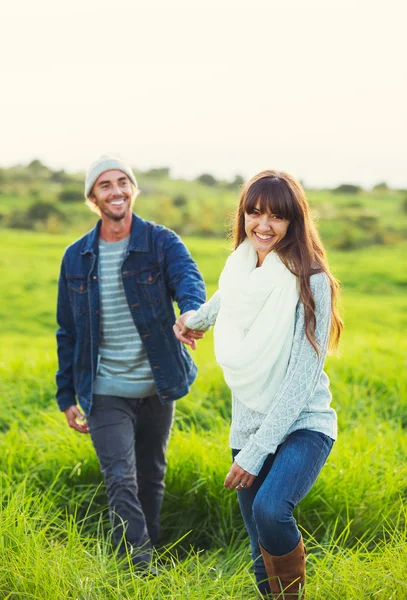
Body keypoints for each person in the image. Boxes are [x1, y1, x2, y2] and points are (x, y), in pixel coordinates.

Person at [173, 170, 342, 598]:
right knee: (257, 545)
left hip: (303, 422)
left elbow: (303, 379)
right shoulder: (241, 268)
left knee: (271, 509)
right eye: (254, 213)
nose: (263, 226)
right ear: (243, 215)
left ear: (294, 222)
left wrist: (256, 451)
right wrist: (190, 321)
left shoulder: (313, 280)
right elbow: (223, 302)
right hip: (248, 423)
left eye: (276, 217)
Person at [55, 155, 206, 570]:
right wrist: (65, 393)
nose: (116, 190)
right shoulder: (76, 257)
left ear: (133, 189)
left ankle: (148, 549)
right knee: (120, 477)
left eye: (123, 182)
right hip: (104, 389)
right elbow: (67, 330)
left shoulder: (161, 242)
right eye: (105, 185)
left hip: (157, 385)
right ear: (93, 197)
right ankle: (140, 569)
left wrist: (191, 314)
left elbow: (188, 279)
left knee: (150, 473)